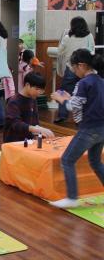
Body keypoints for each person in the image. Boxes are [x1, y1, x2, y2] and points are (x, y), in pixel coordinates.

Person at [50, 49, 104, 208]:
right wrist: (70, 98)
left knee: (67, 160)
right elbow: (87, 101)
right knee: (95, 161)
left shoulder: (83, 83)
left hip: (89, 129)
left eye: (74, 68)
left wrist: (61, 99)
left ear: (81, 65)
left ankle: (72, 197)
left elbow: (72, 107)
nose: (74, 72)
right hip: (101, 128)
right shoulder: (100, 81)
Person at [55, 16, 95, 123]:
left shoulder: (67, 37)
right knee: (87, 92)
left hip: (72, 68)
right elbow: (92, 51)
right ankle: (85, 116)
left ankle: (62, 115)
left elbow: (59, 51)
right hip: (85, 68)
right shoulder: (89, 36)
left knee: (64, 91)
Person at [4, 72, 54, 143]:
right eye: (37, 89)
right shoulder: (14, 101)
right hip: (14, 141)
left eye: (41, 90)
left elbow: (35, 120)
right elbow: (15, 124)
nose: (39, 92)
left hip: (29, 141)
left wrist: (38, 133)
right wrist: (36, 129)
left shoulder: (33, 99)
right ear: (27, 85)